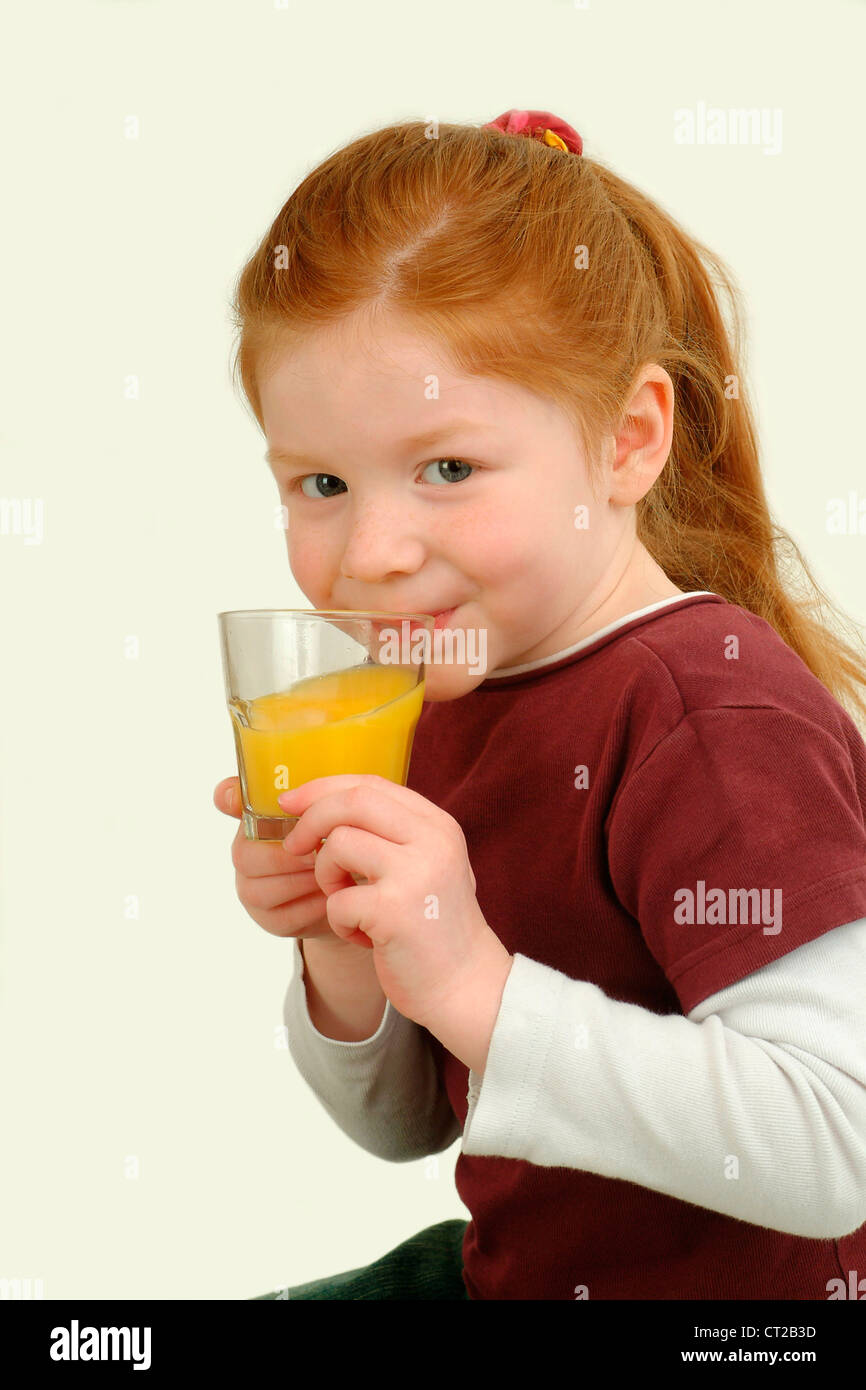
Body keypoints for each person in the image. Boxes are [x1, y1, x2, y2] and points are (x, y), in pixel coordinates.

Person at [215, 109, 866, 1299]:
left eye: (447, 469)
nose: (371, 551)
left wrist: (472, 977)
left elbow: (836, 1140)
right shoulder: (448, 684)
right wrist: (346, 951)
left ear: (626, 442)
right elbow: (409, 1127)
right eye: (320, 482)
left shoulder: (706, 714)